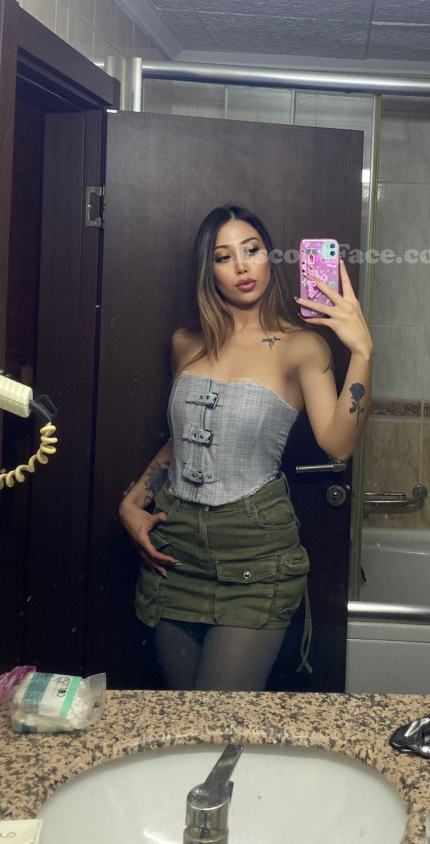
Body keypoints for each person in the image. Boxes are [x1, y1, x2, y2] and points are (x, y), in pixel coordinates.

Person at [118, 204, 373, 690]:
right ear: (209, 270)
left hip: (255, 555)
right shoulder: (186, 342)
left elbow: (338, 444)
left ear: (269, 257)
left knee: (218, 718)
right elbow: (185, 437)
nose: (241, 265)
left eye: (251, 250)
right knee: (182, 716)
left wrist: (362, 351)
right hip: (175, 553)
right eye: (223, 256)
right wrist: (132, 502)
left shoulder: (301, 346)